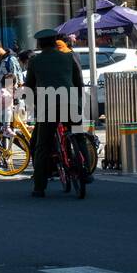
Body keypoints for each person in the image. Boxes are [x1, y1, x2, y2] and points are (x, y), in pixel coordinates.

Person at [25, 28, 86, 198]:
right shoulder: (68, 57)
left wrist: (31, 104)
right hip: (72, 102)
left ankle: (39, 187)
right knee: (79, 136)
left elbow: (29, 86)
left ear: (39, 44)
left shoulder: (35, 61)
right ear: (55, 41)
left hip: (48, 104)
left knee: (42, 146)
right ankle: (86, 172)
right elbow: (78, 82)